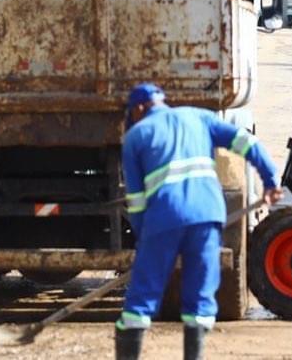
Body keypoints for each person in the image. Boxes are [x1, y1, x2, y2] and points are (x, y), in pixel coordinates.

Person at [116, 83, 282, 360]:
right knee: (200, 297)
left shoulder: (136, 136)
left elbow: (135, 200)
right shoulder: (199, 118)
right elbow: (247, 142)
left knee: (142, 297)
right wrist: (270, 180)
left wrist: (145, 237)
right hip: (207, 216)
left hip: (163, 218)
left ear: (140, 108)